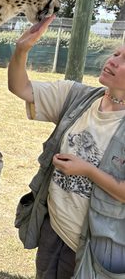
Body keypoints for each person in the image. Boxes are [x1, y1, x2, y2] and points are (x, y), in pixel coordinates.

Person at [8, 15, 125, 278]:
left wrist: (89, 171)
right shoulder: (77, 97)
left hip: (96, 248)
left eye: (124, 60)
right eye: (116, 53)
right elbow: (20, 87)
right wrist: (21, 49)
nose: (113, 61)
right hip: (54, 228)